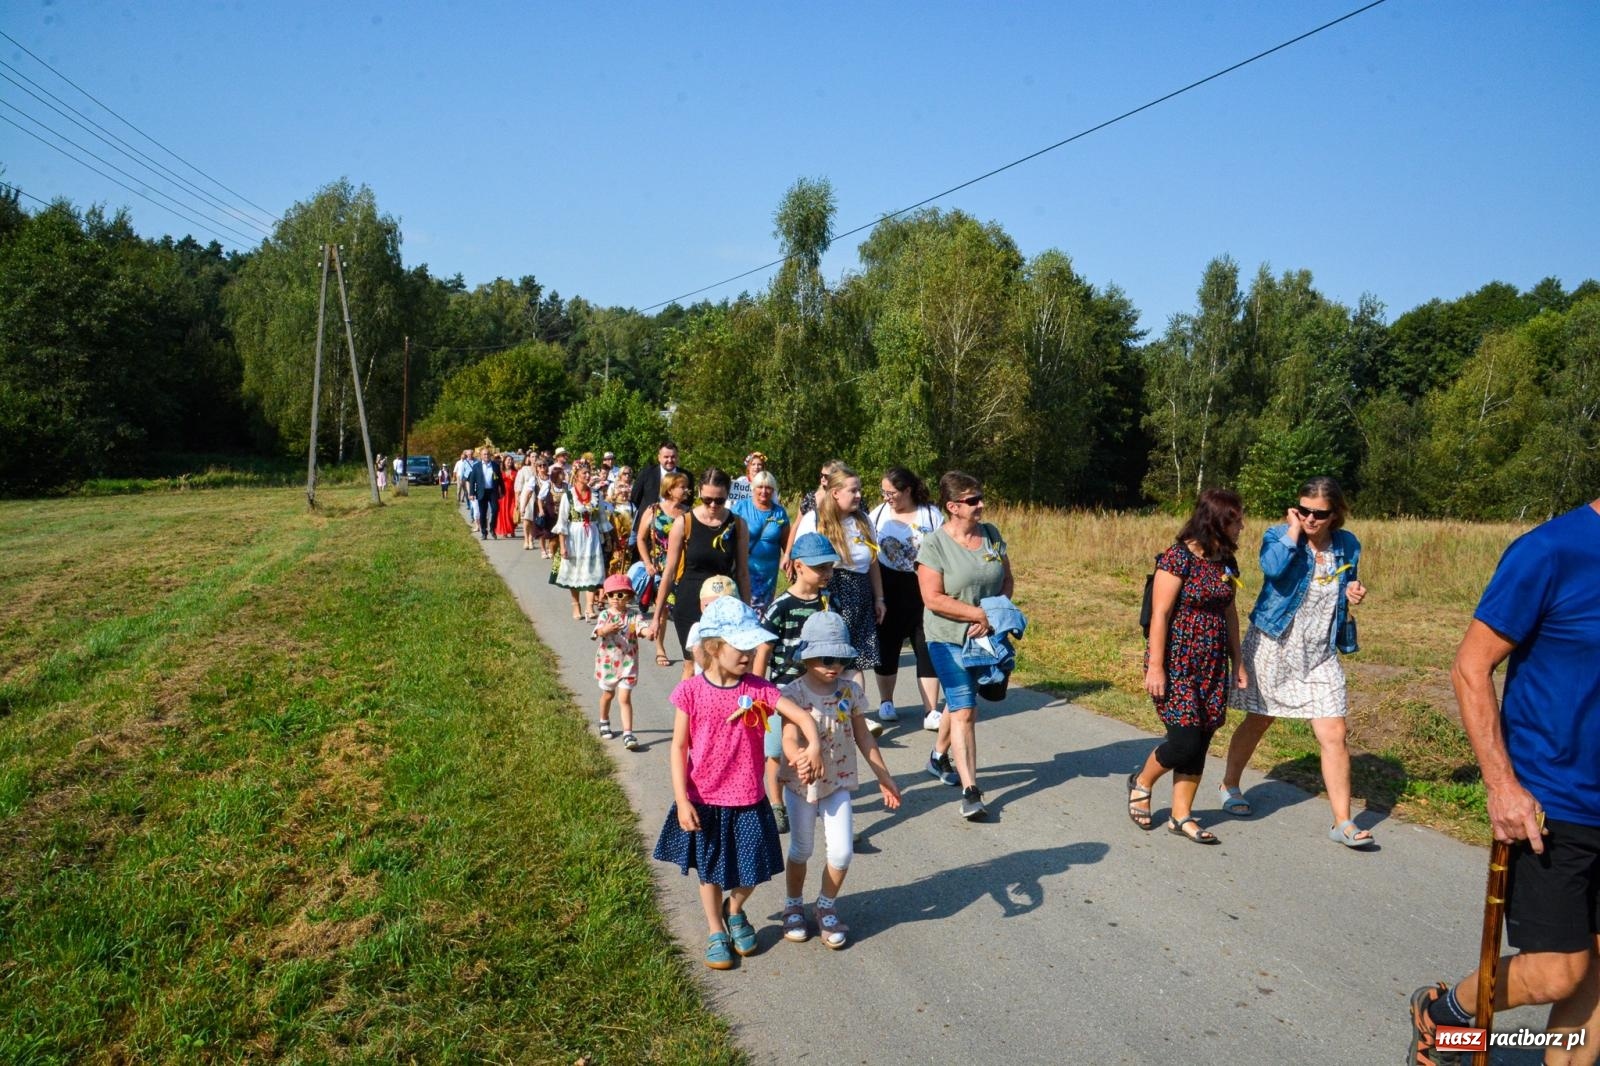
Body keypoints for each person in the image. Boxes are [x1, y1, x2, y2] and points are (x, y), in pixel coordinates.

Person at [1406, 497, 1600, 1066]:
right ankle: (1446, 1019)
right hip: (1553, 802)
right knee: (1557, 973)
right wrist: (1502, 785)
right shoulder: (1551, 551)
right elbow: (1470, 666)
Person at [652, 596, 825, 971]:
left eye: (752, 646)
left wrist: (812, 745)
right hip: (704, 799)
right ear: (714, 646)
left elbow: (802, 716)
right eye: (740, 646)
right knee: (710, 870)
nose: (749, 654)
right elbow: (678, 747)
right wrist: (682, 799)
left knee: (754, 868)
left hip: (748, 798)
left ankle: (734, 909)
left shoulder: (759, 689)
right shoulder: (691, 691)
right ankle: (716, 930)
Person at [1220, 476, 1373, 847]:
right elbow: (1272, 568)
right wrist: (1293, 531)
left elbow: (1345, 583)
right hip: (1274, 643)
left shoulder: (1348, 544)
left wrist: (1353, 590)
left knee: (1334, 732)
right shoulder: (1278, 535)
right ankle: (1230, 784)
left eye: (1319, 513)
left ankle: (1342, 822)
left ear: (1335, 514)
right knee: (1260, 718)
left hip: (1319, 651)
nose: (1310, 519)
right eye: (1303, 510)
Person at [1127, 490, 1248, 845]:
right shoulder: (1177, 558)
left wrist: (1238, 661)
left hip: (1212, 662)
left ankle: (1181, 815)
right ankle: (1142, 781)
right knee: (1184, 740)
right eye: (1236, 520)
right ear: (1216, 521)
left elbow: (1230, 613)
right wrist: (1156, 666)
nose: (1242, 526)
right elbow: (1161, 615)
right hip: (1177, 660)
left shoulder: (1226, 562)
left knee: (1202, 738)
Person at [777, 611, 902, 949]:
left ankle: (825, 905)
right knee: (801, 849)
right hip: (801, 784)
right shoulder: (793, 693)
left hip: (839, 782)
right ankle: (793, 905)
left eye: (841, 659)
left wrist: (884, 777)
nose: (835, 666)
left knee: (843, 852)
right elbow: (788, 737)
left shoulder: (850, 691)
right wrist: (799, 756)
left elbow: (864, 736)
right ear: (807, 657)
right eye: (826, 659)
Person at [917, 470, 1014, 821]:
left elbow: (1007, 579)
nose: (981, 504)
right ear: (953, 506)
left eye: (981, 497)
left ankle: (937, 757)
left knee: (963, 701)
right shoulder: (934, 545)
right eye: (973, 500)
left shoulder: (991, 535)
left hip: (986, 636)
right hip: (947, 637)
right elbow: (932, 598)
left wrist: (993, 615)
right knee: (965, 710)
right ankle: (971, 791)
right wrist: (977, 614)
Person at [753, 532, 840, 836]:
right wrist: (759, 692)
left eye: (829, 567)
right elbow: (763, 650)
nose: (827, 573)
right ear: (799, 566)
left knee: (820, 745)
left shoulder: (830, 602)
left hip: (819, 690)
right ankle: (777, 804)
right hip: (783, 692)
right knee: (777, 750)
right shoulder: (781, 606)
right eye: (820, 568)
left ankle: (822, 803)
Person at [791, 465, 886, 735]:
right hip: (827, 591)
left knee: (854, 659)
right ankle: (817, 713)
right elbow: (802, 561)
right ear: (835, 493)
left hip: (860, 593)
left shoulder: (863, 521)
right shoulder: (815, 519)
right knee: (825, 658)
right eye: (853, 490)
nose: (859, 495)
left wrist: (879, 597)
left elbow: (873, 562)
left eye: (859, 490)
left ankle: (854, 715)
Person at [649, 468, 750, 668]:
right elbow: (669, 573)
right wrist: (656, 617)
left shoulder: (738, 525)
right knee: (693, 665)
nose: (713, 505)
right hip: (690, 602)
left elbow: (742, 573)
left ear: (727, 495)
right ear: (699, 493)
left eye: (719, 500)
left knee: (722, 667)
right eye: (707, 499)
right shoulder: (684, 523)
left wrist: (748, 613)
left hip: (725, 604)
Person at [869, 466, 944, 729]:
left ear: (908, 490)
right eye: (884, 492)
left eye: (891, 492)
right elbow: (869, 553)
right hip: (887, 586)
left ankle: (931, 710)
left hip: (922, 586)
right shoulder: (877, 515)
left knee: (926, 645)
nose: (886, 497)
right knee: (887, 645)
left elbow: (943, 550)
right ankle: (886, 702)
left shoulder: (931, 515)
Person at [636, 471, 692, 667]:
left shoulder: (688, 513)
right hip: (659, 567)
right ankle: (660, 648)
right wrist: (647, 563)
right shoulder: (654, 510)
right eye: (682, 487)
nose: (686, 490)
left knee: (682, 611)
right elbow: (640, 538)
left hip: (682, 568)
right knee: (663, 610)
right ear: (670, 489)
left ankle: (690, 654)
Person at [593, 573, 644, 750]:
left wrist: (647, 632)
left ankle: (628, 733)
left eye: (620, 594)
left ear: (628, 596)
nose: (615, 598)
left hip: (628, 664)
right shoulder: (605, 615)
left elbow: (640, 627)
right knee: (608, 695)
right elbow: (598, 632)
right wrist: (606, 629)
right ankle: (603, 720)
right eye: (610, 595)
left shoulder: (633, 615)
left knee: (624, 698)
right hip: (608, 663)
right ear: (606, 596)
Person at [554, 465, 611, 620]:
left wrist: (607, 537)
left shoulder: (596, 494)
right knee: (574, 570)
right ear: (577, 475)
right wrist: (563, 546)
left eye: (589, 473)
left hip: (592, 536)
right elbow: (562, 522)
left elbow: (602, 518)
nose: (587, 475)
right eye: (584, 473)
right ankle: (576, 605)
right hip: (574, 536)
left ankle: (589, 606)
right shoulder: (569, 496)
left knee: (592, 569)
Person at [730, 470, 789, 613]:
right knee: (742, 608)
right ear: (753, 488)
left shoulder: (779, 513)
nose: (764, 491)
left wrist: (789, 560)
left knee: (762, 611)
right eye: (760, 487)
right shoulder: (740, 508)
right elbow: (729, 536)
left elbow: (786, 543)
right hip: (744, 569)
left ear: (773, 490)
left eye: (768, 487)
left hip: (768, 574)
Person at [631, 440, 690, 517]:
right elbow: (635, 498)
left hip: (677, 519)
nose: (670, 460)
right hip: (648, 519)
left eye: (673, 457)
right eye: (666, 457)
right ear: (659, 458)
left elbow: (689, 501)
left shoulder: (687, 476)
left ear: (677, 457)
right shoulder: (646, 473)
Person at [471, 448, 501, 540]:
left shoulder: (495, 465)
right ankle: (484, 532)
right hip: (481, 492)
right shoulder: (476, 466)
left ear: (490, 455)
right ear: (481, 456)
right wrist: (471, 493)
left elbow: (500, 479)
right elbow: (472, 480)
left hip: (492, 491)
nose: (486, 456)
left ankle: (492, 528)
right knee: (483, 513)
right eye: (484, 454)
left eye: (488, 454)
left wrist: (502, 491)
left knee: (495, 509)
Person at [516, 455, 538, 550]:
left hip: (537, 495)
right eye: (532, 457)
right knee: (526, 519)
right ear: (529, 458)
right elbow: (519, 483)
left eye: (536, 456)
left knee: (534, 519)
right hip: (526, 495)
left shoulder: (541, 468)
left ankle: (531, 539)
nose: (534, 458)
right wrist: (517, 497)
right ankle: (526, 539)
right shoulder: (524, 469)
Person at [495, 455, 518, 539]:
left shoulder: (515, 472)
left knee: (512, 513)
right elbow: (496, 483)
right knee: (504, 513)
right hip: (503, 495)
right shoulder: (500, 472)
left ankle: (512, 529)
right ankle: (505, 531)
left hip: (513, 495)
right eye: (508, 460)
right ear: (504, 461)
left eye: (511, 460)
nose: (510, 461)